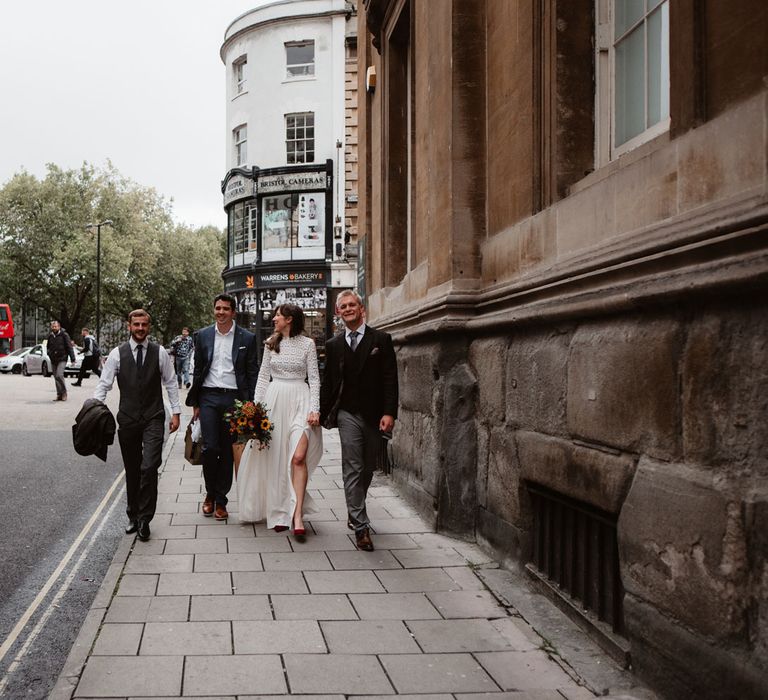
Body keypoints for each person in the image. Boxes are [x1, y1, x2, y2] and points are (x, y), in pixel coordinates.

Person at [320, 290, 399, 551]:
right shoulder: (333, 345)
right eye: (343, 306)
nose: (348, 309)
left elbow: (390, 379)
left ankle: (356, 509)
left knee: (367, 468)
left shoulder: (381, 340)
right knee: (352, 466)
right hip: (347, 414)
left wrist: (389, 412)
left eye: (352, 304)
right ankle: (361, 526)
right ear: (338, 312)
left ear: (361, 309)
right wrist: (321, 412)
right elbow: (329, 383)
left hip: (375, 414)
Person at [94, 309, 181, 541]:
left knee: (149, 466)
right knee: (132, 469)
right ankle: (133, 515)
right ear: (129, 326)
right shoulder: (117, 354)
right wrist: (93, 407)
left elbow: (171, 383)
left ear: (148, 327)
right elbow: (104, 384)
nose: (140, 328)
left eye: (144, 324)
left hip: (154, 417)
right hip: (128, 419)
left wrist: (176, 413)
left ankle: (145, 519)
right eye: (136, 324)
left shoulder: (159, 352)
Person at [237, 304, 323, 538]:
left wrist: (315, 409)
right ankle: (278, 512)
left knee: (298, 457)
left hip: (300, 401)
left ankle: (296, 514)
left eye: (278, 315)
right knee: (275, 458)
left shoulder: (308, 344)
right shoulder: (271, 343)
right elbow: (264, 376)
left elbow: (314, 379)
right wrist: (255, 409)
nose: (274, 318)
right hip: (274, 400)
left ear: (290, 319)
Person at [186, 293, 259, 521]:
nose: (221, 312)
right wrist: (196, 402)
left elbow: (252, 372)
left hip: (233, 400)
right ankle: (209, 494)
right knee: (210, 448)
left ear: (233, 312)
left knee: (228, 450)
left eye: (225, 309)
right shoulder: (204, 335)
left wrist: (250, 404)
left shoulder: (247, 338)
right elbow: (198, 370)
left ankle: (221, 501)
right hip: (208, 397)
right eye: (218, 308)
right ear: (214, 310)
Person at [47, 320, 76, 402]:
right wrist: (49, 353)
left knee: (59, 375)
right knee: (56, 377)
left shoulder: (64, 335)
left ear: (59, 327)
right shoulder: (50, 336)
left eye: (55, 326)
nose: (54, 328)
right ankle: (59, 394)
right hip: (53, 359)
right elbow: (48, 347)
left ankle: (64, 393)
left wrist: (73, 359)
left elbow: (69, 347)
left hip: (62, 358)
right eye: (53, 326)